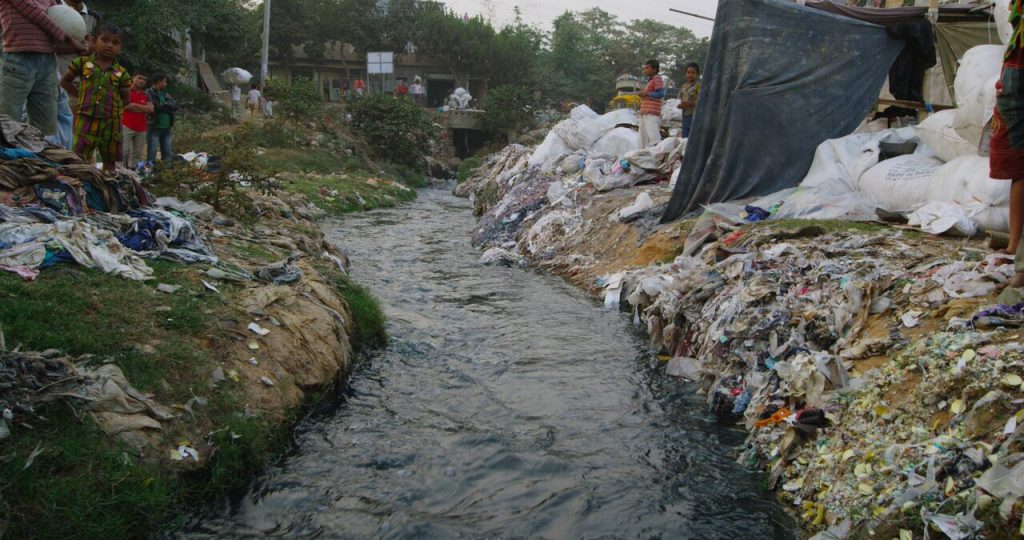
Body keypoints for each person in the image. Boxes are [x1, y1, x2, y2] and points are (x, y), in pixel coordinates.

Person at [0, 0, 87, 136]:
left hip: (48, 60)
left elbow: (59, 17)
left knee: (45, 123)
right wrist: (69, 39)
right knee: (8, 121)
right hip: (18, 58)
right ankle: (6, 155)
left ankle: (36, 154)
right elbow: (35, 13)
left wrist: (78, 41)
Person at [60, 23, 130, 172]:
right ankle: (81, 189)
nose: (110, 45)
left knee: (110, 161)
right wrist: (82, 98)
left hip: (112, 123)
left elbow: (126, 99)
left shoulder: (122, 73)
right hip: (86, 119)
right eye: (105, 40)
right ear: (93, 40)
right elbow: (65, 81)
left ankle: (108, 190)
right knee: (79, 158)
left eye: (115, 43)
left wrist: (113, 111)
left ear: (120, 48)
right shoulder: (82, 63)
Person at [992, 0, 1024, 289]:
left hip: (1016, 76)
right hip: (1016, 77)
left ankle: (1021, 269)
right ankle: (1016, 252)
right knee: (1019, 172)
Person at [51, 0, 99, 149]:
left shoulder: (94, 17)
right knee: (52, 129)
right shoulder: (51, 9)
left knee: (78, 131)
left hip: (81, 81)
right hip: (53, 78)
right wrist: (76, 48)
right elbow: (41, 45)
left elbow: (94, 46)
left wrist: (90, 48)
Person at [121, 72, 152, 169]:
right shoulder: (126, 91)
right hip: (126, 125)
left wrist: (134, 105)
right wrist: (143, 108)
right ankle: (121, 171)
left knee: (138, 153)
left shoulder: (146, 95)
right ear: (133, 78)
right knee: (123, 151)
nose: (142, 81)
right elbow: (125, 107)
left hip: (142, 127)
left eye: (144, 79)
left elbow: (151, 109)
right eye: (139, 78)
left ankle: (134, 171)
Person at [146, 72, 177, 162]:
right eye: (164, 81)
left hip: (167, 127)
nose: (166, 84)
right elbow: (156, 107)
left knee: (167, 153)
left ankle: (167, 172)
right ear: (159, 82)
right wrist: (167, 107)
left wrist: (164, 105)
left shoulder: (165, 94)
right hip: (154, 126)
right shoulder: (149, 93)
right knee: (152, 152)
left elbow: (175, 106)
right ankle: (150, 171)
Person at [638, 59, 665, 148]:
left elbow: (661, 93)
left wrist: (646, 93)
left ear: (654, 69)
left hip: (651, 112)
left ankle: (658, 156)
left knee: (654, 138)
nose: (645, 70)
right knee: (643, 139)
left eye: (647, 68)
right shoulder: (651, 81)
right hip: (645, 112)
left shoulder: (657, 79)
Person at [678, 62, 701, 138]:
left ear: (697, 75)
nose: (690, 75)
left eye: (693, 73)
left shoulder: (698, 86)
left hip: (694, 115)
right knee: (685, 136)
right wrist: (680, 105)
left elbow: (701, 101)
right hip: (685, 114)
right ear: (685, 74)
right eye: (688, 72)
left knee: (692, 136)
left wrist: (690, 104)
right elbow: (680, 99)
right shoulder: (683, 86)